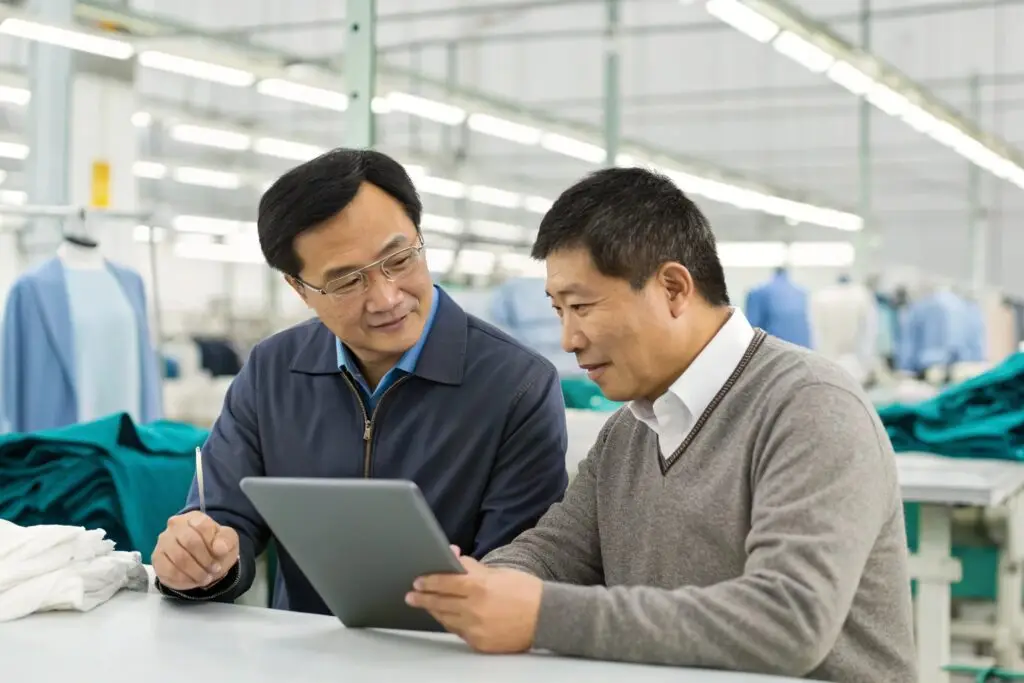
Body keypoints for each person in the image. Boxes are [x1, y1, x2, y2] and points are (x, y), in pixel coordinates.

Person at [406, 167, 916, 681]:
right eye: (559, 310)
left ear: (673, 288)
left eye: (581, 306)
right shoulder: (629, 432)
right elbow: (555, 552)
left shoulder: (809, 406)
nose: (568, 339)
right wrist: (482, 587)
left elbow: (789, 620)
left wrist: (541, 615)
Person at [151, 149, 569, 613]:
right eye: (348, 282)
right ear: (299, 289)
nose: (387, 297)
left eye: (400, 259)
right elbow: (224, 517)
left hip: (453, 659)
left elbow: (518, 567)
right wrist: (199, 558)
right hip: (307, 655)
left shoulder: (517, 386)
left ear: (420, 237)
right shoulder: (271, 370)